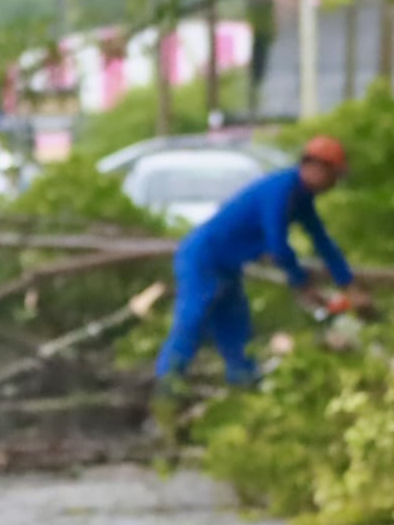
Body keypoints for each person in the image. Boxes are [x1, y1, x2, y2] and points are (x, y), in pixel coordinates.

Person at [152, 134, 359, 387]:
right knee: (192, 322)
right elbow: (277, 244)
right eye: (333, 176)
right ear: (316, 168)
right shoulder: (280, 189)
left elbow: (322, 242)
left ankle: (243, 390)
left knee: (237, 332)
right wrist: (301, 283)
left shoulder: (302, 199)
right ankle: (166, 389)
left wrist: (348, 284)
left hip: (228, 265)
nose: (333, 184)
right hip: (203, 258)